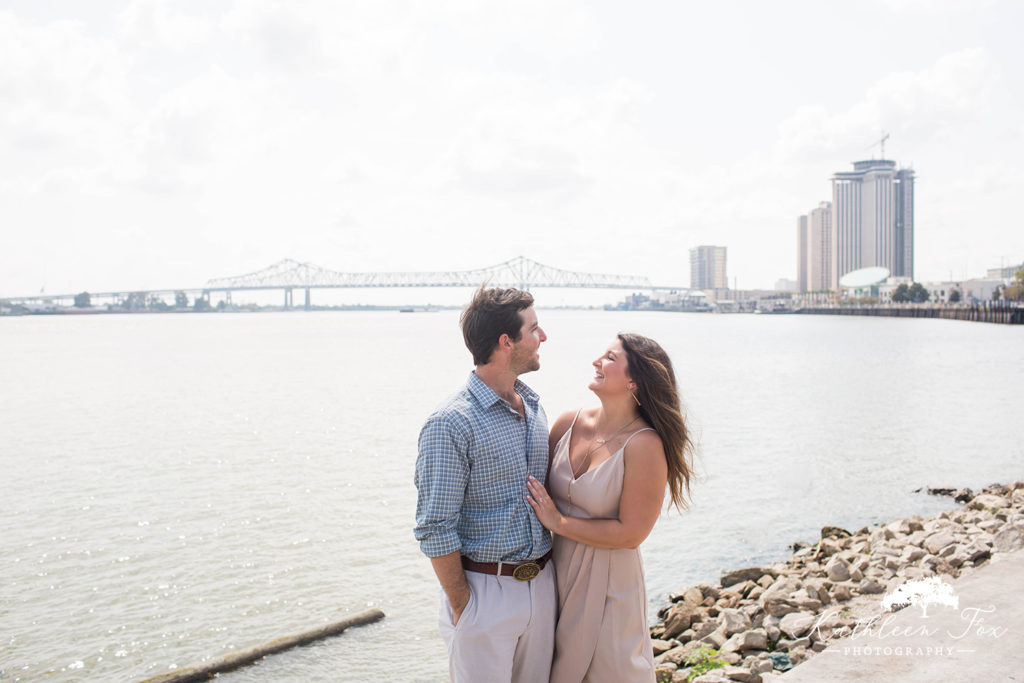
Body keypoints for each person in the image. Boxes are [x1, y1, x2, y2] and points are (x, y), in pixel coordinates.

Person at [526, 333, 694, 683]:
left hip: (609, 586)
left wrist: (559, 522)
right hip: (553, 578)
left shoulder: (645, 444)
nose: (596, 362)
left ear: (633, 380)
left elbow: (632, 533)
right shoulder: (567, 422)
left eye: (609, 358)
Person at [414, 286, 556, 683]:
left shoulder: (534, 406)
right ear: (506, 342)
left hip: (543, 585)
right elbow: (434, 526)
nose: (543, 337)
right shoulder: (449, 423)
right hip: (485, 594)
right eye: (535, 329)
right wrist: (465, 607)